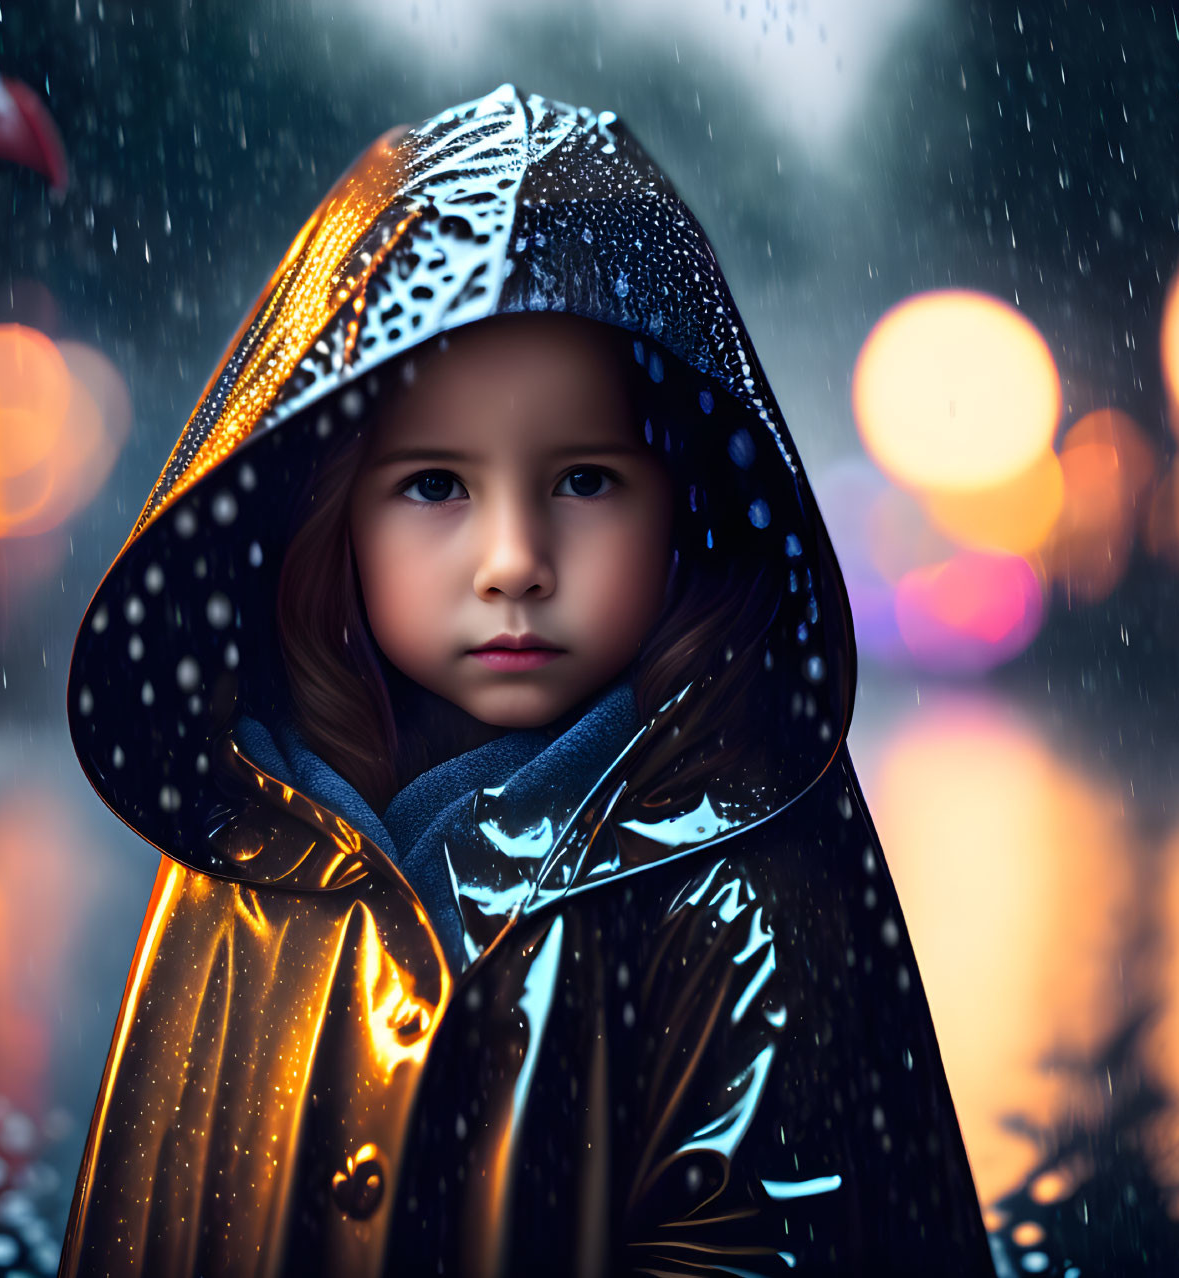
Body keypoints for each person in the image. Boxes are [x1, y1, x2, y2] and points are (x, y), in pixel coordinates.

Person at [59, 83, 995, 1277]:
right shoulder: (248, 859)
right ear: (331, 514)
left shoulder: (739, 885)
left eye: (585, 481)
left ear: (682, 509)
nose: (512, 562)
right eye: (436, 486)